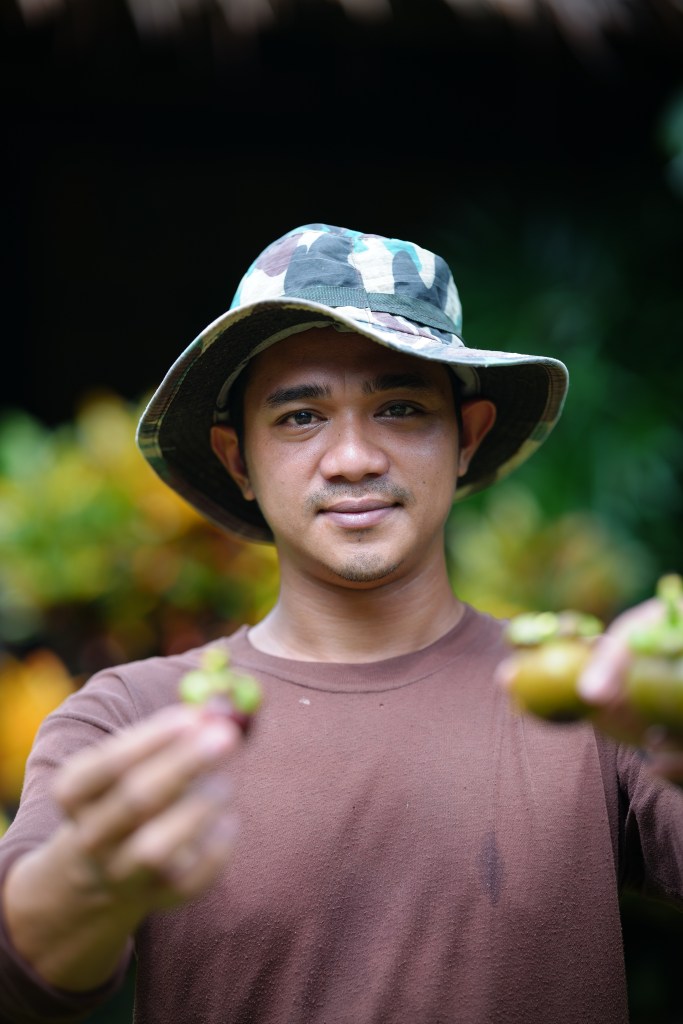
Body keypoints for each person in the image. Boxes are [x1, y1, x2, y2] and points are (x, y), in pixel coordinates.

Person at [0, 224, 681, 1024]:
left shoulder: (594, 696)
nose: (352, 458)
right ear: (236, 459)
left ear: (465, 438)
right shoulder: (132, 718)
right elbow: (22, 968)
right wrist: (84, 881)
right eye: (298, 418)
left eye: (399, 407)